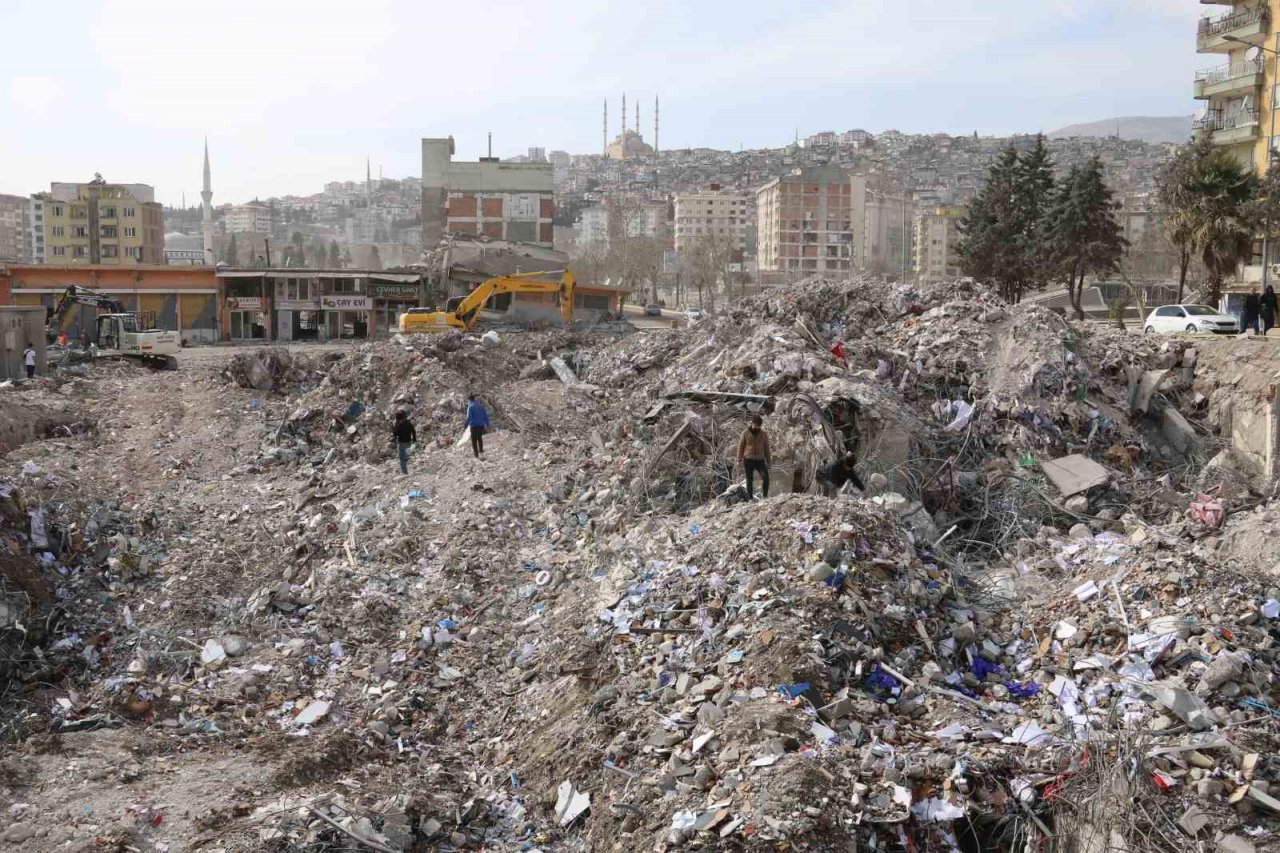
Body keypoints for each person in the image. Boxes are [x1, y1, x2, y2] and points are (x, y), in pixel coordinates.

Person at [736, 415, 771, 500]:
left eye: (759, 426)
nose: (757, 427)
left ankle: (765, 496)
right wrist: (738, 460)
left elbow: (766, 447)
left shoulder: (763, 434)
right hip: (748, 459)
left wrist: (768, 460)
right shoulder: (745, 433)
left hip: (760, 460)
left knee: (766, 477)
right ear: (752, 423)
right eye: (755, 425)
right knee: (749, 479)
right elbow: (740, 446)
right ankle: (750, 498)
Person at [465, 394, 490, 459]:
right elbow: (485, 416)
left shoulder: (470, 407)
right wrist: (487, 425)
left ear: (470, 400)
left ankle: (476, 454)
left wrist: (466, 424)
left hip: (474, 425)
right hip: (481, 425)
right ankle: (481, 452)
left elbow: (469, 417)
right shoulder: (481, 406)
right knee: (479, 438)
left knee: (474, 440)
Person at [391, 411, 416, 475]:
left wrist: (393, 427)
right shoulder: (408, 423)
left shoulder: (398, 424)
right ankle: (406, 462)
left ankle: (404, 472)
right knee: (406, 455)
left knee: (402, 459)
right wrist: (414, 439)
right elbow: (413, 431)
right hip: (408, 442)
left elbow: (395, 434)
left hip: (401, 443)